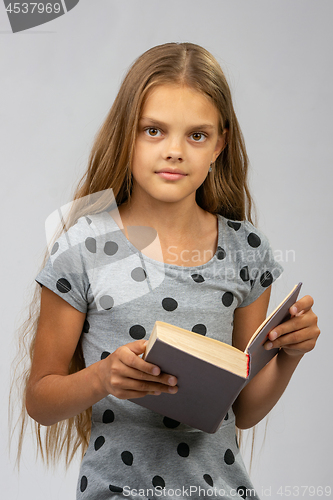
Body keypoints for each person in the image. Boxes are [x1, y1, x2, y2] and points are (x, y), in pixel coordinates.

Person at [19, 43, 319, 499]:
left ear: (219, 144)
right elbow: (40, 400)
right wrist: (102, 378)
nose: (175, 151)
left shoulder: (247, 251)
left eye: (196, 135)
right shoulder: (82, 247)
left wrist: (289, 354)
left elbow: (242, 410)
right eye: (154, 130)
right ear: (127, 134)